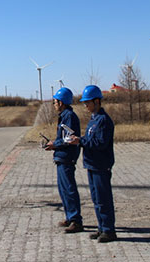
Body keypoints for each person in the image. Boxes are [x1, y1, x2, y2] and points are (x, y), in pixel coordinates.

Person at [69, 85, 117, 243]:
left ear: (97, 101)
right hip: (92, 164)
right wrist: (80, 139)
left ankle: (109, 230)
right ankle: (102, 227)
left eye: (87, 102)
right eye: (84, 103)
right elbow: (90, 139)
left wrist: (80, 141)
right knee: (96, 199)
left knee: (104, 198)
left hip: (100, 165)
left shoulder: (103, 121)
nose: (85, 106)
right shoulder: (93, 119)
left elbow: (100, 143)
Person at [44, 87, 83, 233]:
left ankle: (76, 220)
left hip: (67, 157)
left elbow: (69, 138)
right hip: (61, 157)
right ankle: (69, 216)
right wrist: (54, 145)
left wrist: (56, 144)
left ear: (61, 102)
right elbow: (64, 137)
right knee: (63, 189)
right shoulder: (64, 116)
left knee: (69, 189)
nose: (54, 104)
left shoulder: (69, 117)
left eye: (55, 102)